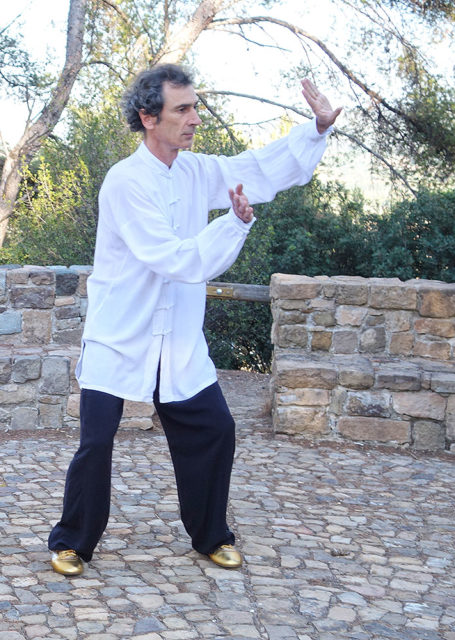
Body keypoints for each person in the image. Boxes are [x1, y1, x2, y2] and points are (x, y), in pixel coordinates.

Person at [47, 64, 341, 576]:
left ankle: (210, 535)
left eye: (195, 107)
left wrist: (315, 130)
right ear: (148, 117)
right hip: (121, 334)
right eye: (182, 109)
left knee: (216, 430)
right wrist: (233, 225)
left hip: (176, 339)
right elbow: (176, 259)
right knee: (95, 443)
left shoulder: (196, 171)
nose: (195, 119)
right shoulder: (125, 182)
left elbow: (259, 167)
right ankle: (72, 540)